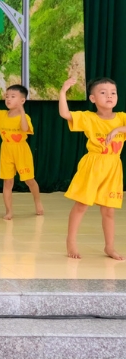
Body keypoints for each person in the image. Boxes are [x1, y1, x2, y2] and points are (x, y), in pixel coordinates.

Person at [60, 76, 126, 260]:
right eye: (103, 93)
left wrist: (117, 130)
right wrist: (63, 92)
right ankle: (71, 241)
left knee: (109, 210)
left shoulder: (122, 118)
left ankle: (110, 247)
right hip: (93, 165)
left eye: (113, 93)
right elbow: (65, 114)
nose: (109, 96)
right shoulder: (89, 117)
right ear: (93, 99)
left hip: (113, 167)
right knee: (81, 205)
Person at [0, 83, 43, 219]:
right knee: (7, 182)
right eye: (7, 96)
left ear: (22, 100)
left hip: (21, 150)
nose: (8, 99)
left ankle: (37, 201)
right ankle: (9, 211)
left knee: (29, 180)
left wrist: (22, 112)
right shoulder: (1, 115)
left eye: (13, 96)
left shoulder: (25, 117)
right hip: (6, 150)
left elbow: (24, 129)